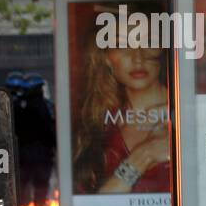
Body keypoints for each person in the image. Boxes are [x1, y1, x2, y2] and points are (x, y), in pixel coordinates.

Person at [72, 28, 169, 195]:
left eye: (149, 42)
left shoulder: (192, 116)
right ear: (106, 58)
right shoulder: (98, 127)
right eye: (122, 45)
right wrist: (144, 155)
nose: (138, 58)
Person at [14, 73, 57, 206]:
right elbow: (51, 130)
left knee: (22, 190)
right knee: (40, 188)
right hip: (42, 156)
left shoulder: (18, 107)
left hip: (24, 156)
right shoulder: (45, 106)